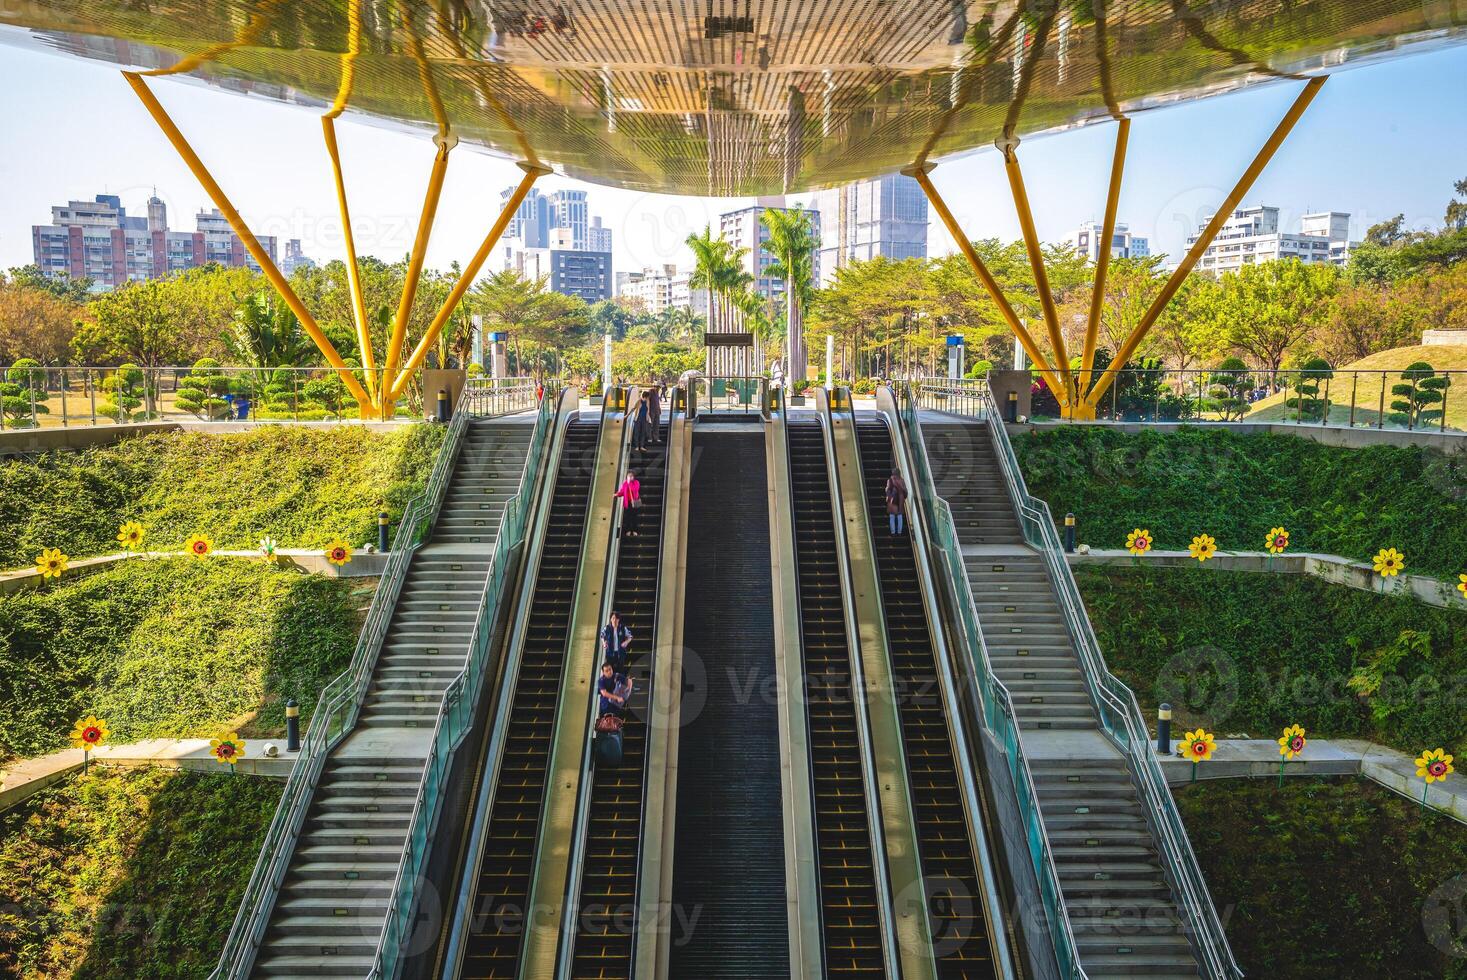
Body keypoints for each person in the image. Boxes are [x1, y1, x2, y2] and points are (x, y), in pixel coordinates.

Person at [614, 469, 642, 537]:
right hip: (627, 502)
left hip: (635, 502)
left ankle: (635, 531)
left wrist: (629, 483)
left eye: (631, 476)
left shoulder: (636, 482)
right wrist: (616, 494)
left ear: (634, 476)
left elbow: (635, 489)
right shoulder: (625, 484)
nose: (630, 477)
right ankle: (628, 530)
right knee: (628, 517)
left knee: (634, 516)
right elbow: (622, 492)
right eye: (629, 476)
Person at [885, 468, 908, 535]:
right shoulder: (901, 480)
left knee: (892, 516)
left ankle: (893, 531)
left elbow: (887, 489)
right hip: (900, 499)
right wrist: (903, 497)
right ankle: (899, 531)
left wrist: (889, 497)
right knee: (899, 516)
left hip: (893, 499)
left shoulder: (890, 480)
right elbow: (905, 491)